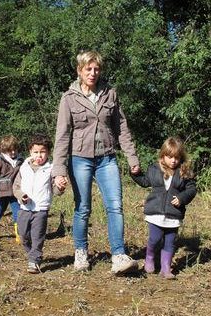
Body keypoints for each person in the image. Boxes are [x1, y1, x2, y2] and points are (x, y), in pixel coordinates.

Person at [52, 50, 141, 274]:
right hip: (79, 159)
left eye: (96, 69)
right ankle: (81, 254)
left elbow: (122, 128)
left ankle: (119, 255)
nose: (93, 73)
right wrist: (59, 170)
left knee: (115, 205)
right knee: (83, 208)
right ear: (79, 71)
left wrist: (132, 157)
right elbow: (62, 136)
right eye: (88, 69)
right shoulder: (69, 98)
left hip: (107, 158)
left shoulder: (110, 94)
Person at [131, 137, 197, 279]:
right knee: (155, 238)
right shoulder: (154, 169)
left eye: (177, 158)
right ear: (162, 156)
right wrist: (135, 173)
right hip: (155, 212)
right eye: (170, 157)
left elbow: (191, 190)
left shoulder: (183, 172)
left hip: (174, 214)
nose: (173, 161)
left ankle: (165, 268)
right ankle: (149, 256)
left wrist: (182, 198)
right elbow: (144, 181)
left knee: (170, 242)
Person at [13, 135, 64, 273]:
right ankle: (32, 254)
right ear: (30, 152)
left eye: (42, 152)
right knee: (23, 236)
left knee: (37, 236)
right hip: (24, 208)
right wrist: (21, 196)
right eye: (36, 152)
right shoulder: (23, 167)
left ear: (48, 153)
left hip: (41, 209)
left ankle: (34, 260)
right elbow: (16, 187)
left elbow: (55, 190)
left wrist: (60, 187)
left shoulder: (51, 169)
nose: (39, 155)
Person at [0, 135, 23, 241]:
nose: (13, 152)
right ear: (5, 150)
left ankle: (19, 235)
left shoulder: (21, 161)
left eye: (15, 149)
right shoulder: (0, 162)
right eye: (10, 150)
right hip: (2, 193)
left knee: (17, 212)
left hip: (15, 192)